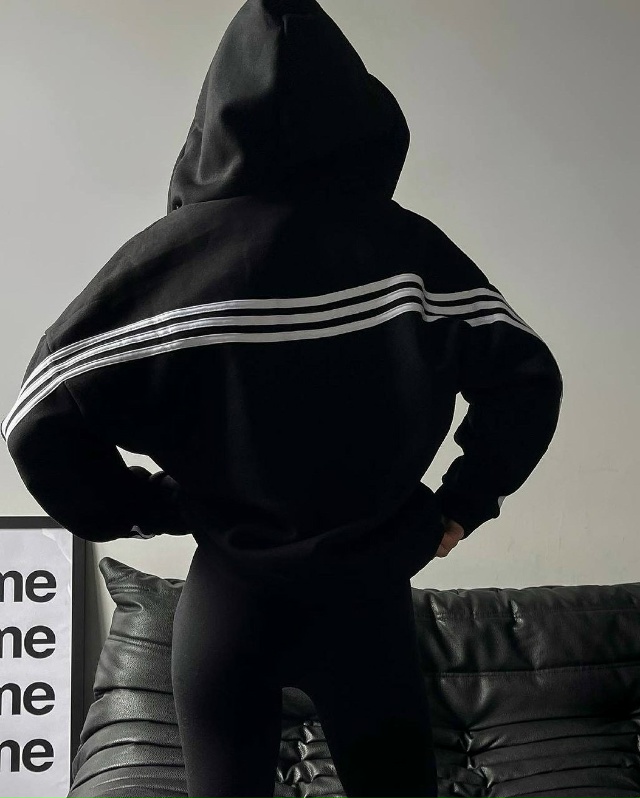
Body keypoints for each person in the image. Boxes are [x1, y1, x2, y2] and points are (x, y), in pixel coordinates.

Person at [1, 0, 563, 796]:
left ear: (214, 120)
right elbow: (527, 379)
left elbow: (39, 418)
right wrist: (462, 504)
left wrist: (153, 505)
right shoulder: (410, 253)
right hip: (368, 600)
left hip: (230, 603)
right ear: (359, 111)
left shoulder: (166, 267)